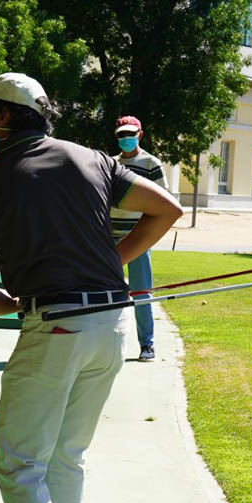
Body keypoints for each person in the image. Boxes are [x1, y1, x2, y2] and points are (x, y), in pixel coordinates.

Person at [0, 73, 183, 503]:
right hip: (111, 323)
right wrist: (113, 259)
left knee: (19, 462)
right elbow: (167, 209)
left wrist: (15, 305)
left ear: (5, 118)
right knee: (66, 455)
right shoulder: (93, 159)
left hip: (54, 325)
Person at [109, 115, 169, 362]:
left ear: (140, 135)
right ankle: (108, 344)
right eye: (122, 135)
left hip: (138, 237)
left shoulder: (151, 164)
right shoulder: (110, 164)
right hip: (110, 236)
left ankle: (147, 344)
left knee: (141, 292)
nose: (126, 139)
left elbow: (163, 202)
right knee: (107, 291)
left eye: (130, 134)